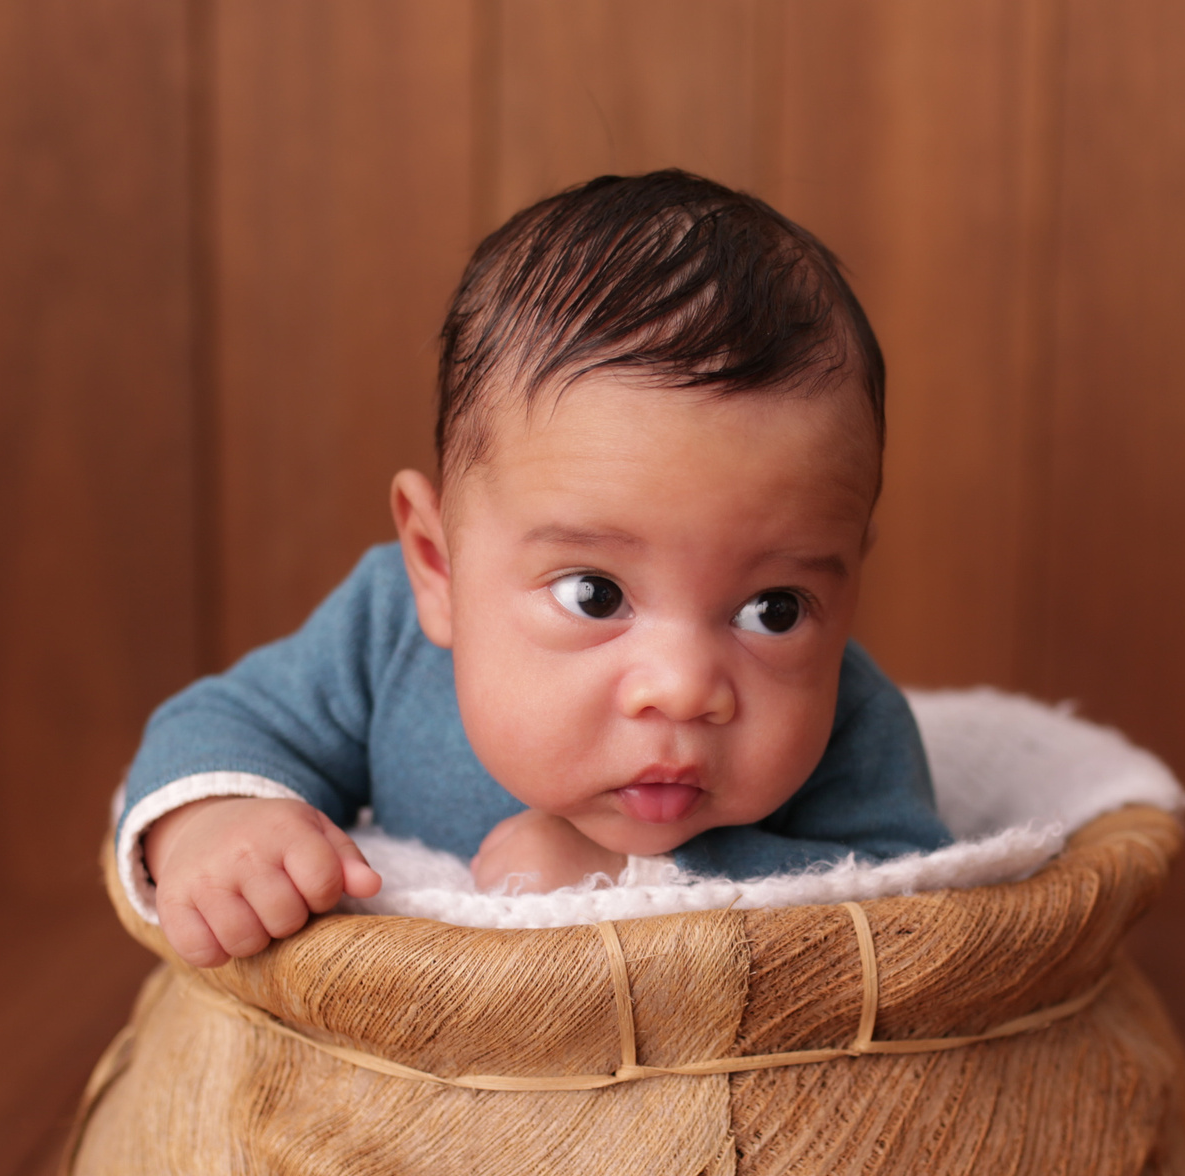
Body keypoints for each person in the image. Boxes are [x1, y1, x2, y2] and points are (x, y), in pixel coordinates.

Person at [118, 169, 951, 969]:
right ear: (438, 567)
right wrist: (215, 822)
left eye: (773, 608)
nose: (682, 689)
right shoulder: (389, 634)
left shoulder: (850, 719)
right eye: (596, 594)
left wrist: (637, 880)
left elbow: (902, 900)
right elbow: (223, 724)